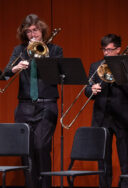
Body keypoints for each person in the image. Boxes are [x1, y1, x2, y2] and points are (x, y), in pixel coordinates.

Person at [3, 14, 63, 188]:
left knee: (41, 147)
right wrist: (15, 68)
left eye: (35, 30)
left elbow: (58, 76)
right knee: (26, 151)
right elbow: (5, 74)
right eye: (28, 31)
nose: (32, 35)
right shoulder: (19, 50)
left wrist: (42, 57)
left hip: (47, 104)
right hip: (24, 106)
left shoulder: (55, 49)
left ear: (42, 30)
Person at [85, 34, 128, 188]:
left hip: (121, 117)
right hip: (102, 117)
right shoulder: (95, 66)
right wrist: (91, 89)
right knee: (103, 160)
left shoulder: (126, 65)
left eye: (109, 50)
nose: (106, 53)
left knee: (125, 159)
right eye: (104, 50)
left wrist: (117, 73)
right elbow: (87, 90)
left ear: (118, 49)